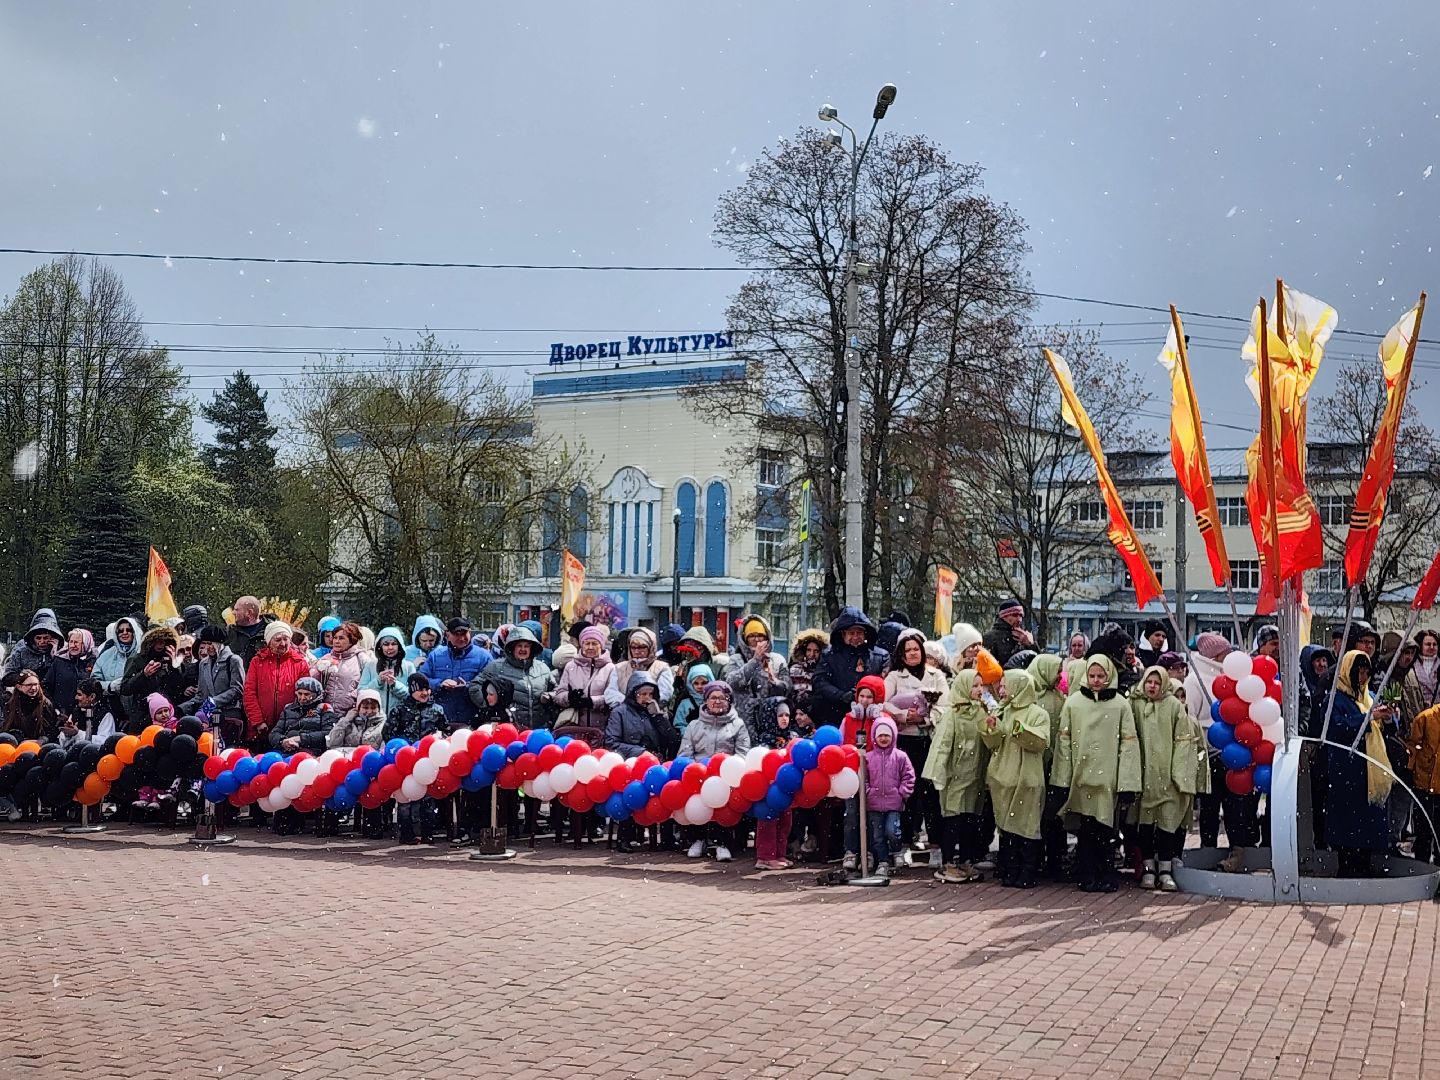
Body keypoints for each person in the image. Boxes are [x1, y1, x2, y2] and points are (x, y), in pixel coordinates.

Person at [1054, 655, 1141, 892]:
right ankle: (1087, 874)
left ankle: (1106, 874)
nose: (1096, 680)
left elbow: (1129, 745)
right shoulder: (1073, 703)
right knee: (1086, 830)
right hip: (1081, 776)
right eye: (1092, 676)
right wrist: (1061, 780)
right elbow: (1064, 744)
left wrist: (1127, 783)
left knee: (1106, 829)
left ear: (1109, 676)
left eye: (1101, 676)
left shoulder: (1120, 704)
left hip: (1108, 778)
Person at [978, 669, 1050, 888]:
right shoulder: (1003, 711)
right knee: (1006, 825)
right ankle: (1010, 869)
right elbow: (993, 743)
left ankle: (1027, 872)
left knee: (1027, 825)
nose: (1001, 690)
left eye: (1005, 686)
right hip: (1002, 777)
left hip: (1027, 778)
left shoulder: (1038, 713)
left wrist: (1022, 731)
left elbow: (1041, 742)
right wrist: (991, 728)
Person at [1130, 665, 1200, 891]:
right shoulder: (1135, 704)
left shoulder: (1173, 707)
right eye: (1149, 682)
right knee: (1145, 826)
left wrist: (1178, 774)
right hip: (1144, 779)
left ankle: (1166, 870)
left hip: (1168, 779)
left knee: (1167, 825)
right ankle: (1148, 870)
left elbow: (1183, 741)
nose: (1152, 686)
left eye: (1157, 682)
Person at [1324, 650, 1393, 876]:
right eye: (1358, 673)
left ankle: (1365, 864)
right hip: (1347, 770)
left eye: (1366, 673)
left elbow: (1385, 731)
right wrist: (1368, 718)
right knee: (1347, 823)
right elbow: (1336, 728)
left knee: (1367, 823)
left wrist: (1388, 718)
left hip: (1369, 771)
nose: (1362, 678)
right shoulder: (1335, 699)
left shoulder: (1369, 697)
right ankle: (1347, 868)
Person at [883, 626, 947, 855]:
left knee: (931, 792)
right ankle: (905, 843)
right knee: (907, 791)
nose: (912, 653)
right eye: (907, 650)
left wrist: (926, 718)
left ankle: (936, 844)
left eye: (916, 649)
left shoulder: (936, 675)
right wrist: (904, 715)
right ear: (901, 655)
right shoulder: (894, 677)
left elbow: (945, 705)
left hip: (929, 740)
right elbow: (884, 702)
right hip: (904, 741)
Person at [923, 667, 990, 883]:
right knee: (953, 820)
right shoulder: (952, 715)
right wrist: (938, 772)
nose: (979, 690)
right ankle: (948, 862)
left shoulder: (982, 712)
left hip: (975, 777)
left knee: (971, 820)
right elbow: (942, 745)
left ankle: (966, 861)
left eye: (981, 685)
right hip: (955, 777)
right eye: (975, 685)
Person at [678, 681, 752, 862]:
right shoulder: (694, 725)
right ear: (706, 701)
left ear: (729, 701)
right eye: (713, 698)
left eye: (722, 698)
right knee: (695, 794)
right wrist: (697, 769)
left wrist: (726, 770)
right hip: (699, 774)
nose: (717, 701)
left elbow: (743, 753)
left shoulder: (738, 724)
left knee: (722, 795)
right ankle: (698, 839)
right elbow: (684, 754)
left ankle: (723, 843)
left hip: (726, 776)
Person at [605, 673, 674, 854]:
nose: (647, 698)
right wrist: (638, 752)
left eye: (650, 694)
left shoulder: (656, 712)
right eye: (642, 694)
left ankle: (667, 837)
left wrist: (658, 717)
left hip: (655, 761)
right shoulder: (619, 712)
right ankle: (625, 836)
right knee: (631, 788)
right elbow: (611, 742)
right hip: (631, 761)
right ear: (633, 693)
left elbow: (672, 740)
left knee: (667, 785)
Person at [811, 607, 889, 731]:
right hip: (835, 715)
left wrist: (867, 695)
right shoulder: (829, 656)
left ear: (865, 634)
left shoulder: (880, 656)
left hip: (871, 717)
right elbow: (820, 681)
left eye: (859, 633)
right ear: (843, 634)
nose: (855, 637)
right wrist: (841, 695)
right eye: (851, 633)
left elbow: (884, 681)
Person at [840, 674, 887, 872]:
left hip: (873, 775)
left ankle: (870, 852)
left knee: (872, 816)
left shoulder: (882, 721)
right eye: (862, 696)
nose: (865, 701)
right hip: (851, 774)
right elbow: (840, 743)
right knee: (851, 814)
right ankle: (851, 851)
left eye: (869, 697)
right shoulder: (848, 719)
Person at [1026, 653, 1067, 876]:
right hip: (1034, 764)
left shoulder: (1060, 698)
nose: (1060, 675)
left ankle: (1053, 858)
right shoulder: (1030, 697)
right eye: (1057, 671)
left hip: (1053, 765)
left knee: (1052, 814)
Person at [242, 622, 311, 754]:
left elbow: (305, 696)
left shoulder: (299, 663)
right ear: (269, 642)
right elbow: (249, 693)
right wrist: (258, 721)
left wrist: (294, 722)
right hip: (262, 727)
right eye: (278, 640)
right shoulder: (257, 661)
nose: (283, 643)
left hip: (289, 727)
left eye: (286, 639)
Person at [471, 623, 554, 730]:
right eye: (519, 645)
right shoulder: (496, 667)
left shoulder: (543, 668)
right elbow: (474, 687)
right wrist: (491, 707)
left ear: (532, 648)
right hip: (508, 730)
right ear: (512, 648)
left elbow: (556, 690)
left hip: (538, 730)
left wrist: (550, 696)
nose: (523, 649)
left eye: (526, 646)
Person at [862, 715, 914, 879]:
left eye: (887, 735)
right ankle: (883, 861)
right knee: (877, 836)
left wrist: (902, 793)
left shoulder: (900, 756)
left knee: (893, 831)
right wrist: (868, 792)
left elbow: (909, 776)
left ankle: (896, 850)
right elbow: (863, 778)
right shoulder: (868, 757)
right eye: (880, 735)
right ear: (874, 737)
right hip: (874, 803)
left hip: (893, 803)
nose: (883, 739)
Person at [724, 615, 791, 738]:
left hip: (772, 723)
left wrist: (776, 682)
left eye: (760, 635)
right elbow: (731, 683)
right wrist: (754, 661)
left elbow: (788, 689)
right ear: (745, 639)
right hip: (744, 722)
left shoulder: (778, 660)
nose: (756, 639)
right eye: (752, 636)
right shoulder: (736, 659)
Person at [418, 618, 491, 729]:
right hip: (439, 721)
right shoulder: (436, 656)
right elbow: (421, 680)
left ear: (470, 632)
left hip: (474, 721)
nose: (461, 638)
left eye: (464, 633)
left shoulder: (484, 657)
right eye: (457, 634)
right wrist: (440, 684)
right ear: (448, 635)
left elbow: (491, 685)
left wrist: (469, 687)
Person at [184, 625, 247, 747]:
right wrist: (183, 707)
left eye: (210, 643)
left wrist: (213, 702)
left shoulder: (233, 660)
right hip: (209, 717)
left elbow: (237, 689)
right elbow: (201, 695)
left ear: (220, 643)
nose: (207, 647)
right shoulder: (203, 663)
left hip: (229, 715)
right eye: (204, 643)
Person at [753, 697, 797, 870]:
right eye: (780, 715)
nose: (784, 719)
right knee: (768, 821)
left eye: (787, 715)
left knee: (785, 822)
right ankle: (765, 856)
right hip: (769, 788)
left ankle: (779, 854)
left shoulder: (791, 738)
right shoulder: (765, 741)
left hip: (785, 787)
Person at [119, 625, 188, 732]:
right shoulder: (137, 660)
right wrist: (143, 675)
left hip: (168, 715)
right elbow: (125, 688)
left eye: (164, 642)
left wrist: (176, 666)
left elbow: (180, 687)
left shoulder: (171, 659)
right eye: (157, 641)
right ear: (150, 642)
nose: (161, 645)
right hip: (143, 716)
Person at [545, 624, 612, 731]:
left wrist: (592, 702)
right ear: (581, 645)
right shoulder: (571, 666)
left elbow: (613, 697)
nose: (590, 647)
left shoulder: (610, 668)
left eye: (594, 643)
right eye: (587, 643)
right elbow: (559, 695)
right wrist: (569, 697)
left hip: (601, 728)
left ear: (601, 645)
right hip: (574, 726)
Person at [1406, 693, 1440, 864]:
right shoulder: (1425, 719)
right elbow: (1412, 748)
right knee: (1423, 831)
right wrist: (1410, 772)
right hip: (1423, 784)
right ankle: (1421, 866)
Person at [604, 627, 674, 709]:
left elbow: (665, 694)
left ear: (650, 647)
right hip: (624, 712)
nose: (636, 651)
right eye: (633, 647)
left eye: (641, 647)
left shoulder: (661, 668)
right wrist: (629, 703)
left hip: (652, 713)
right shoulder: (619, 668)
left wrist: (646, 703)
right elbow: (611, 692)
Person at [312, 620, 369, 721]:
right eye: (335, 638)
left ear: (352, 640)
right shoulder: (326, 658)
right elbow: (314, 684)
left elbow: (368, 685)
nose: (336, 641)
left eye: (341, 638)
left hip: (351, 716)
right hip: (325, 715)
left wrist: (353, 697)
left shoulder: (361, 658)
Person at [94, 617, 143, 719]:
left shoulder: (142, 653)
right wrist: (110, 686)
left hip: (139, 709)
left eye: (128, 630)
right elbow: (93, 681)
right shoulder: (106, 655)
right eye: (120, 631)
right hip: (112, 709)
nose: (124, 633)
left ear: (135, 632)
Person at [361, 626, 414, 719]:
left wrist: (395, 685)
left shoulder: (408, 667)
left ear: (399, 645)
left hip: (400, 718)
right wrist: (378, 682)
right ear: (380, 647)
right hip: (374, 717)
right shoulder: (370, 665)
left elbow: (413, 695)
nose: (390, 647)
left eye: (394, 644)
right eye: (386, 644)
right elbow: (361, 692)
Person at [2, 607, 63, 687]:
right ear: (32, 638)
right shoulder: (21, 651)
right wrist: (26, 677)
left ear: (53, 638)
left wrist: (55, 656)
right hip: (26, 692)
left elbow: (65, 676)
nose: (42, 641)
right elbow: (7, 677)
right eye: (38, 638)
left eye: (46, 638)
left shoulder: (64, 651)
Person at [59, 678, 115, 748]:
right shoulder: (76, 712)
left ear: (92, 697)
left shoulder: (105, 715)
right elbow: (64, 745)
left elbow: (105, 741)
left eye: (79, 694)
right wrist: (67, 734)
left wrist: (78, 734)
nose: (76, 697)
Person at [5, 669, 59, 741]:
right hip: (16, 741)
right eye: (29, 685)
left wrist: (43, 740)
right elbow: (6, 727)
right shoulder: (10, 704)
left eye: (36, 684)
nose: (33, 688)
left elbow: (52, 730)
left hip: (39, 743)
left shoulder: (46, 704)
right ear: (19, 687)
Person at [981, 599, 1037, 668]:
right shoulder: (990, 637)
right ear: (1004, 616)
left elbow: (1038, 664)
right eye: (1015, 615)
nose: (1019, 619)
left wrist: (1031, 645)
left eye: (1021, 615)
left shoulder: (1024, 636)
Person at [225, 596, 276, 669]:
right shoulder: (229, 632)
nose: (233, 612)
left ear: (249, 613)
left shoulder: (273, 632)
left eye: (237, 610)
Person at [787, 629, 828, 715]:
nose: (812, 654)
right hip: (796, 713)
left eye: (816, 651)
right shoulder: (794, 669)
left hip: (818, 713)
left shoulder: (825, 670)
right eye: (809, 650)